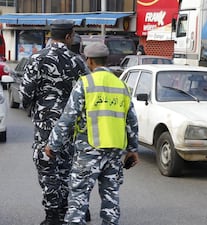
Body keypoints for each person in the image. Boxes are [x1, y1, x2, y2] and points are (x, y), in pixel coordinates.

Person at [45, 42, 139, 224]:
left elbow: (68, 118)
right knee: (111, 199)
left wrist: (53, 144)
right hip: (114, 152)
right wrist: (132, 149)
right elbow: (131, 121)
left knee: (78, 200)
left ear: (89, 61)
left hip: (89, 150)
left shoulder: (85, 84)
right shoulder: (121, 86)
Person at [20, 20, 90, 225]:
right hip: (70, 125)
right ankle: (68, 208)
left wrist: (33, 109)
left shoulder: (36, 58)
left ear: (51, 35)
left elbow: (25, 94)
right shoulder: (77, 61)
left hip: (45, 124)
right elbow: (87, 92)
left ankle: (52, 216)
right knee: (67, 167)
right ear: (68, 37)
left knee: (47, 168)